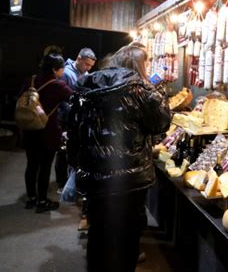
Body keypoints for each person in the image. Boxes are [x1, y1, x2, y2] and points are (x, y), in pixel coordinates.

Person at [67, 43, 171, 271]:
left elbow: (73, 127)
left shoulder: (87, 85)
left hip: (93, 175)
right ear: (138, 65)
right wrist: (158, 90)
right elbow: (161, 123)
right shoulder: (140, 90)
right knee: (127, 233)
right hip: (130, 177)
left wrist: (77, 163)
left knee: (99, 230)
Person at [21, 53, 73, 213]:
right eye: (61, 69)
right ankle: (42, 201)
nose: (63, 72)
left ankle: (31, 198)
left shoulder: (30, 80)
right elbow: (76, 99)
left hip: (29, 130)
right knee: (44, 167)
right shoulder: (58, 85)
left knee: (31, 165)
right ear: (54, 69)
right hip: (47, 133)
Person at [55, 47, 97, 191]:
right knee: (62, 151)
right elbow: (60, 98)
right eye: (86, 64)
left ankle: (70, 182)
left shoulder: (85, 73)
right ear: (79, 58)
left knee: (73, 151)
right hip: (65, 118)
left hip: (78, 118)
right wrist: (72, 111)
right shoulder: (66, 74)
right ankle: (61, 182)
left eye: (91, 66)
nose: (88, 68)